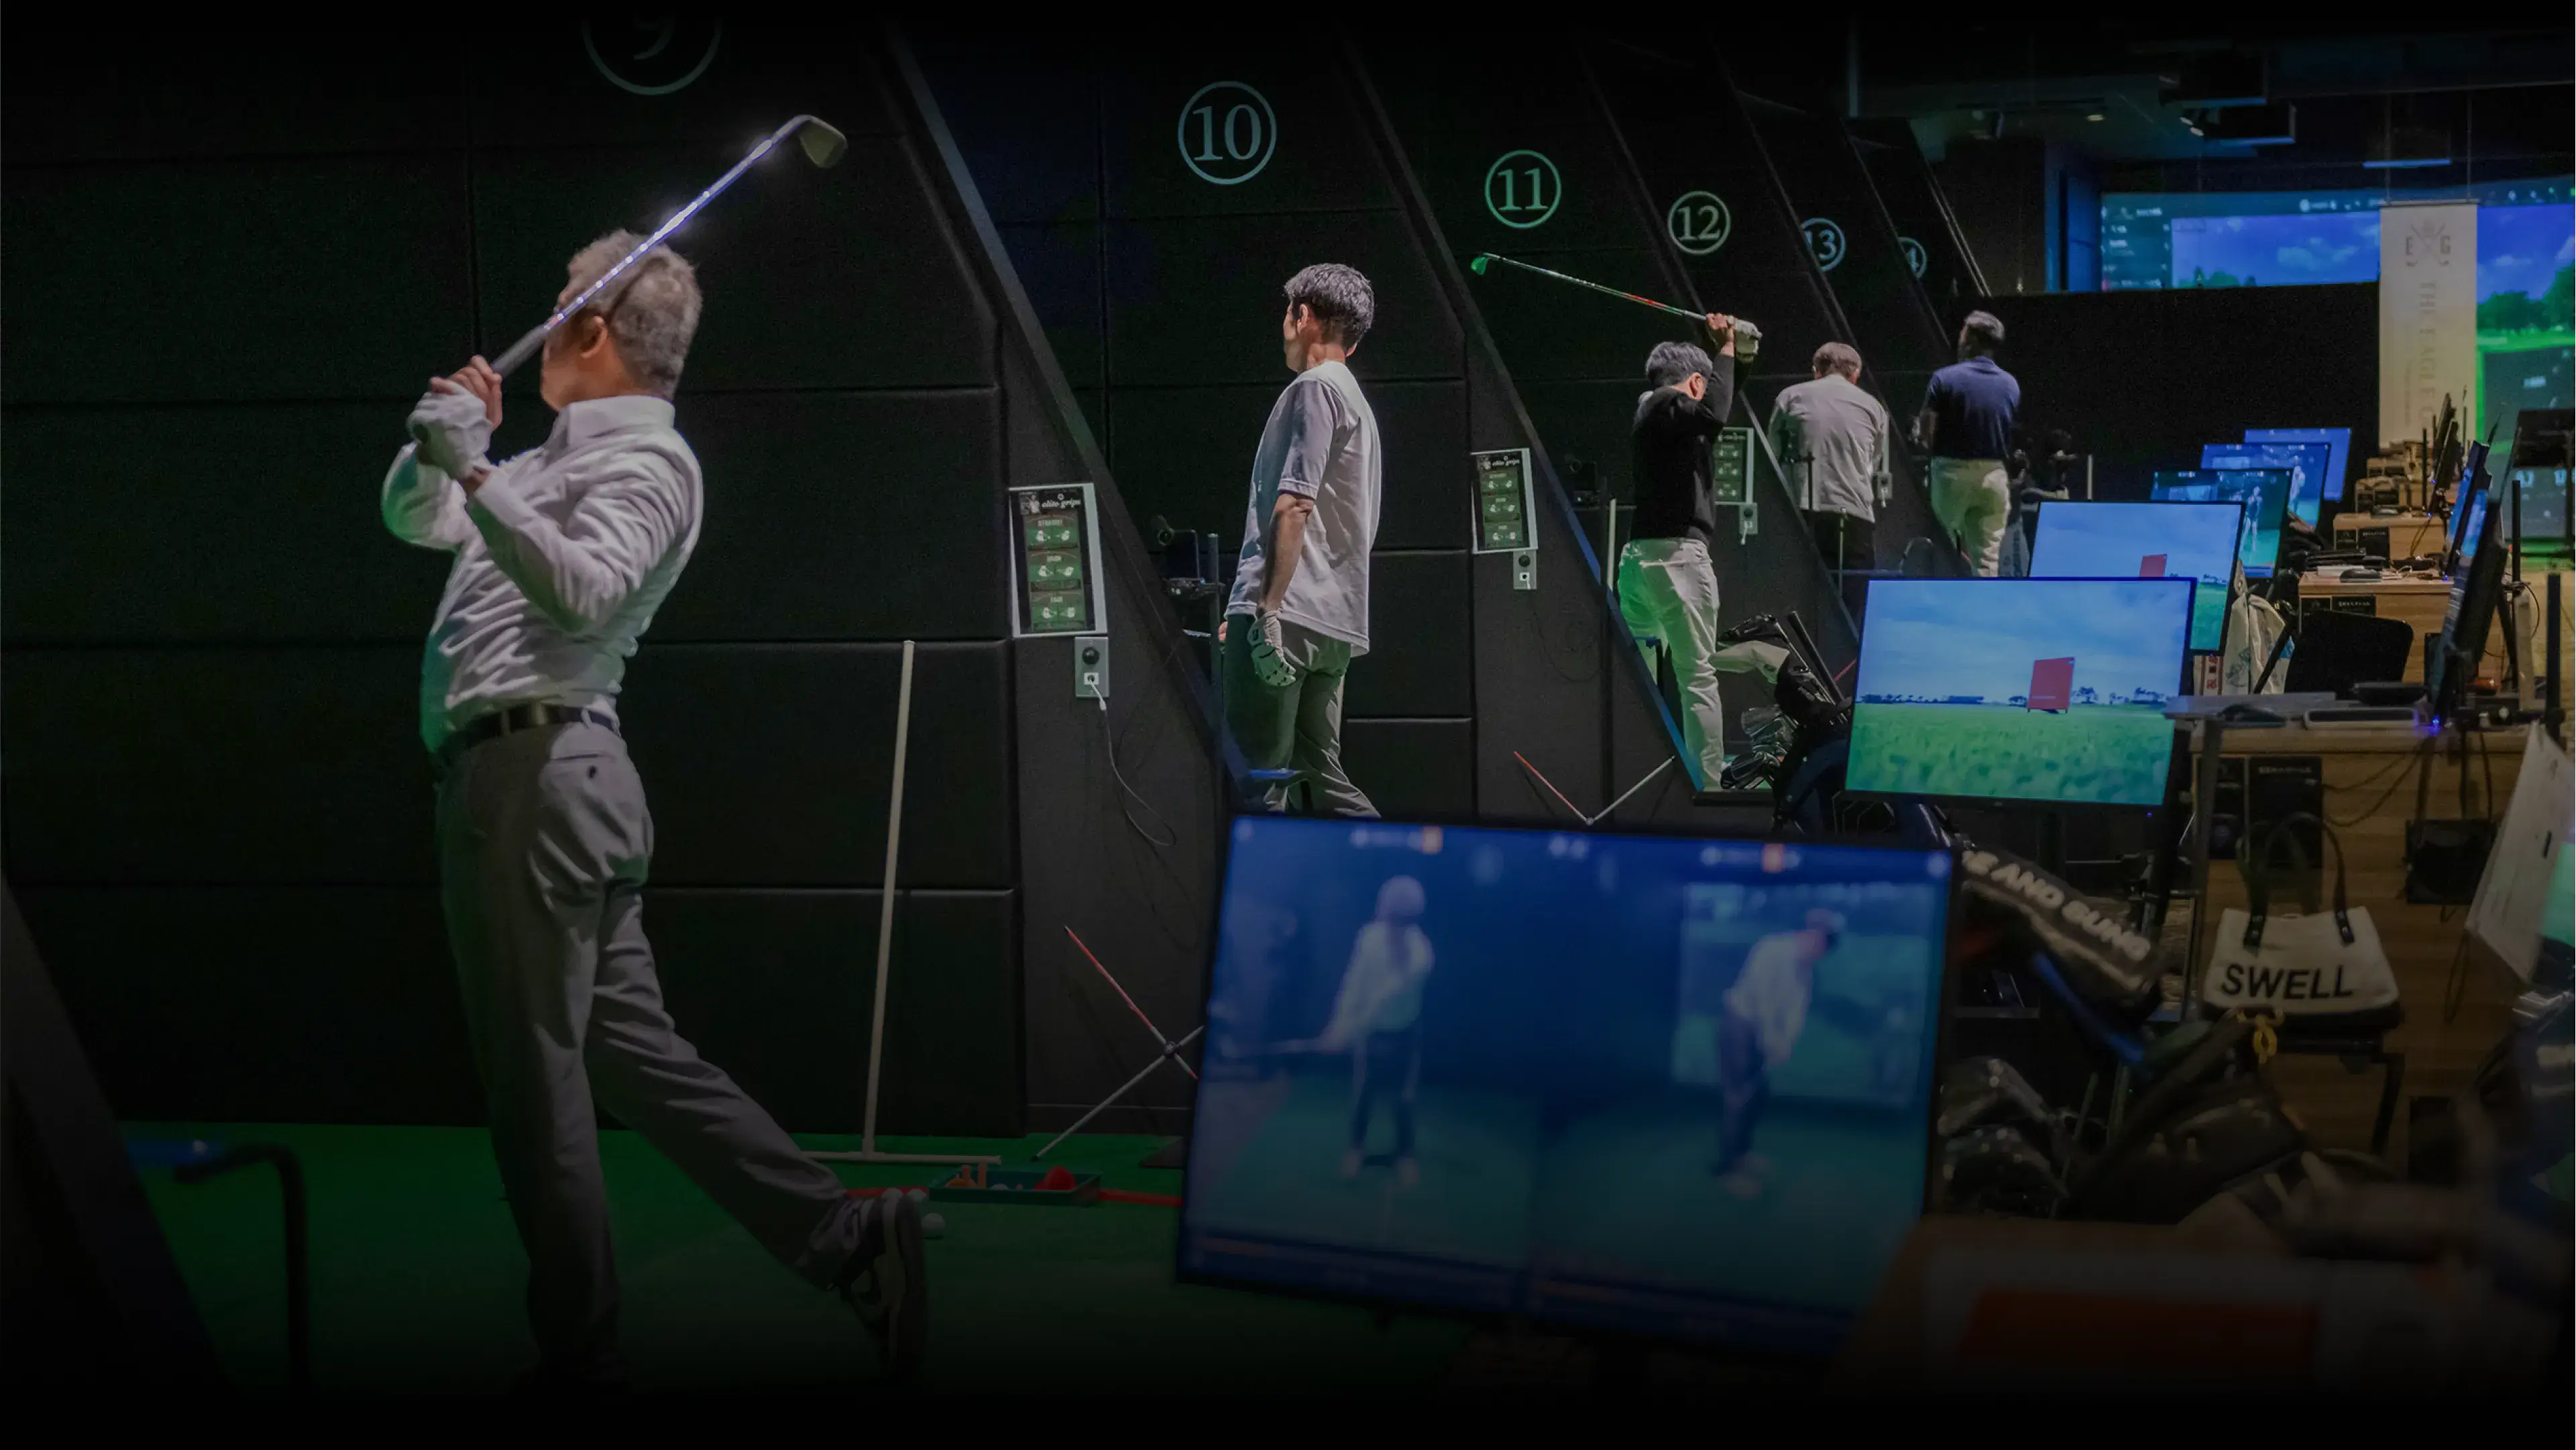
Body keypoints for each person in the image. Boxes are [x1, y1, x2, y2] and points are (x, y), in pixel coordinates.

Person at [386, 232, 926, 1390]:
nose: (544, 319)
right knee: (630, 1058)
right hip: (544, 784)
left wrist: (475, 472)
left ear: (590, 328)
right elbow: (414, 522)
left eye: (558, 301)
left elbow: (584, 590)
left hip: (534, 780)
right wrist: (444, 453)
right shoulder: (540, 457)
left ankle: (580, 1356)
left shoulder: (653, 462)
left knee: (536, 1087)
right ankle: (843, 1238)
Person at [1223, 264, 1384, 818]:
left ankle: (1263, 902)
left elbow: (1295, 502)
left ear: (1304, 316)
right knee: (1323, 776)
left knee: (1258, 782)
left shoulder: (1313, 390)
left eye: (1287, 316)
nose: (1284, 329)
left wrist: (1264, 609)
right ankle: (1407, 879)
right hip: (1334, 622)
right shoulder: (1357, 402)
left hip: (1286, 616)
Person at [1622, 316, 1739, 787]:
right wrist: (1727, 348)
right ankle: (1710, 786)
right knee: (1697, 677)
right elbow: (1714, 413)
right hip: (1676, 563)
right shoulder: (1669, 404)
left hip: (1640, 563)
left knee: (1641, 682)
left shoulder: (1654, 413)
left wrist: (1729, 357)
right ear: (1693, 382)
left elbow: (1714, 411)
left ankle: (1642, 778)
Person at [1712, 909, 1840, 1198]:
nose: (1818, 951)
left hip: (1760, 1034)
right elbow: (1762, 1001)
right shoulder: (1772, 949)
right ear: (1810, 934)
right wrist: (1773, 1041)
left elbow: (1797, 1011)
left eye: (1824, 948)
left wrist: (1786, 1044)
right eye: (1819, 942)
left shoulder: (1805, 970)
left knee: (1757, 1095)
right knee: (1738, 1098)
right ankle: (1728, 1169)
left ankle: (1743, 1154)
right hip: (1740, 1024)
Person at [1318, 877, 1434, 1188]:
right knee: (1363, 1095)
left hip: (1404, 1033)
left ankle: (1405, 1155)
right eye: (1389, 915)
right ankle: (1356, 1149)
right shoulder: (1369, 938)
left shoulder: (1421, 954)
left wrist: (1346, 1033)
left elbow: (1380, 1001)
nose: (1391, 923)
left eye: (1399, 918)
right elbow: (1353, 986)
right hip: (1372, 1035)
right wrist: (1336, 1024)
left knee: (1404, 1098)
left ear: (1410, 920)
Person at [1913, 311, 2021, 577]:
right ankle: (1982, 615)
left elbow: (1927, 433)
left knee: (1943, 551)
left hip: (1952, 473)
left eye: (1962, 335)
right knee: (1987, 562)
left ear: (1970, 340)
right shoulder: (2011, 384)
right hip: (1995, 476)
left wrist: (1923, 440)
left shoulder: (1944, 378)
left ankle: (1941, 614)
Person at [1767, 341, 1889, 573]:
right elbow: (1872, 462)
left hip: (1801, 508)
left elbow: (1774, 451)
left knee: (1801, 590)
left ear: (1816, 371)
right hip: (1855, 513)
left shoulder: (1791, 396)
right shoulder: (1874, 407)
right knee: (1854, 596)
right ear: (1855, 374)